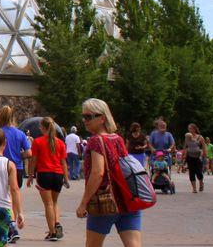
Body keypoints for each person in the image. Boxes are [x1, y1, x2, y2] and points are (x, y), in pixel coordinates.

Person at [75, 98, 143, 247]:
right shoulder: (117, 139)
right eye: (84, 116)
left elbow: (98, 173)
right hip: (127, 199)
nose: (85, 120)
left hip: (105, 203)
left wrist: (83, 203)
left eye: (89, 116)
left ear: (102, 118)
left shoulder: (95, 141)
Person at [28, 116, 68, 242]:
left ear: (44, 128)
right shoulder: (60, 143)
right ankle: (56, 222)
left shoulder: (38, 142)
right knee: (54, 202)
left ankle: (52, 232)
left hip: (44, 174)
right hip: (58, 175)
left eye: (40, 126)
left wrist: (30, 176)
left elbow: (33, 160)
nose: (39, 128)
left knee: (48, 204)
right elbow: (63, 162)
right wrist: (66, 178)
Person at [184, 123, 206, 193]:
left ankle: (201, 183)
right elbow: (185, 147)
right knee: (191, 172)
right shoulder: (187, 137)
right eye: (188, 128)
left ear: (194, 129)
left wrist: (204, 155)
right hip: (190, 157)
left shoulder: (200, 137)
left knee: (199, 172)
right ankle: (194, 188)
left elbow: (204, 147)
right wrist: (184, 155)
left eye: (190, 128)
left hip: (198, 157)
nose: (189, 130)